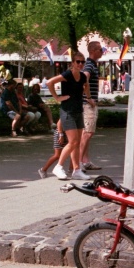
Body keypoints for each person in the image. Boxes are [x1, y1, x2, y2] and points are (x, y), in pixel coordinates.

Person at [48, 53, 91, 181]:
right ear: (72, 63)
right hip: (67, 112)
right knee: (73, 142)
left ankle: (76, 170)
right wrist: (57, 98)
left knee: (77, 143)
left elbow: (86, 85)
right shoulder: (67, 74)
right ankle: (58, 167)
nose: (80, 64)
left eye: (83, 62)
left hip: (78, 111)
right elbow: (50, 82)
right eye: (78, 62)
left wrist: (89, 98)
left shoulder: (83, 76)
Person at [79, 41, 102, 171]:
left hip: (88, 104)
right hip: (88, 105)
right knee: (88, 133)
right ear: (92, 50)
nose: (102, 52)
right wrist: (88, 98)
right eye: (100, 49)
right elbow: (84, 78)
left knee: (87, 133)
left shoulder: (92, 64)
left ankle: (85, 161)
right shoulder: (89, 65)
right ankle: (79, 163)